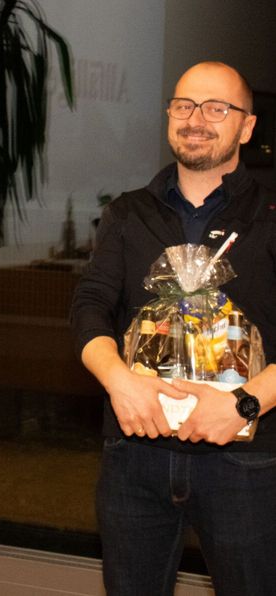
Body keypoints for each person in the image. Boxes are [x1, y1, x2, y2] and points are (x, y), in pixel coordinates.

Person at [71, 61, 276, 595]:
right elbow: (89, 306)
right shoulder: (127, 214)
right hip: (134, 456)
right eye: (184, 106)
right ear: (169, 117)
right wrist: (119, 380)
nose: (196, 120)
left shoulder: (272, 217)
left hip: (245, 460)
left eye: (216, 108)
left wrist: (244, 405)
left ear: (246, 127)